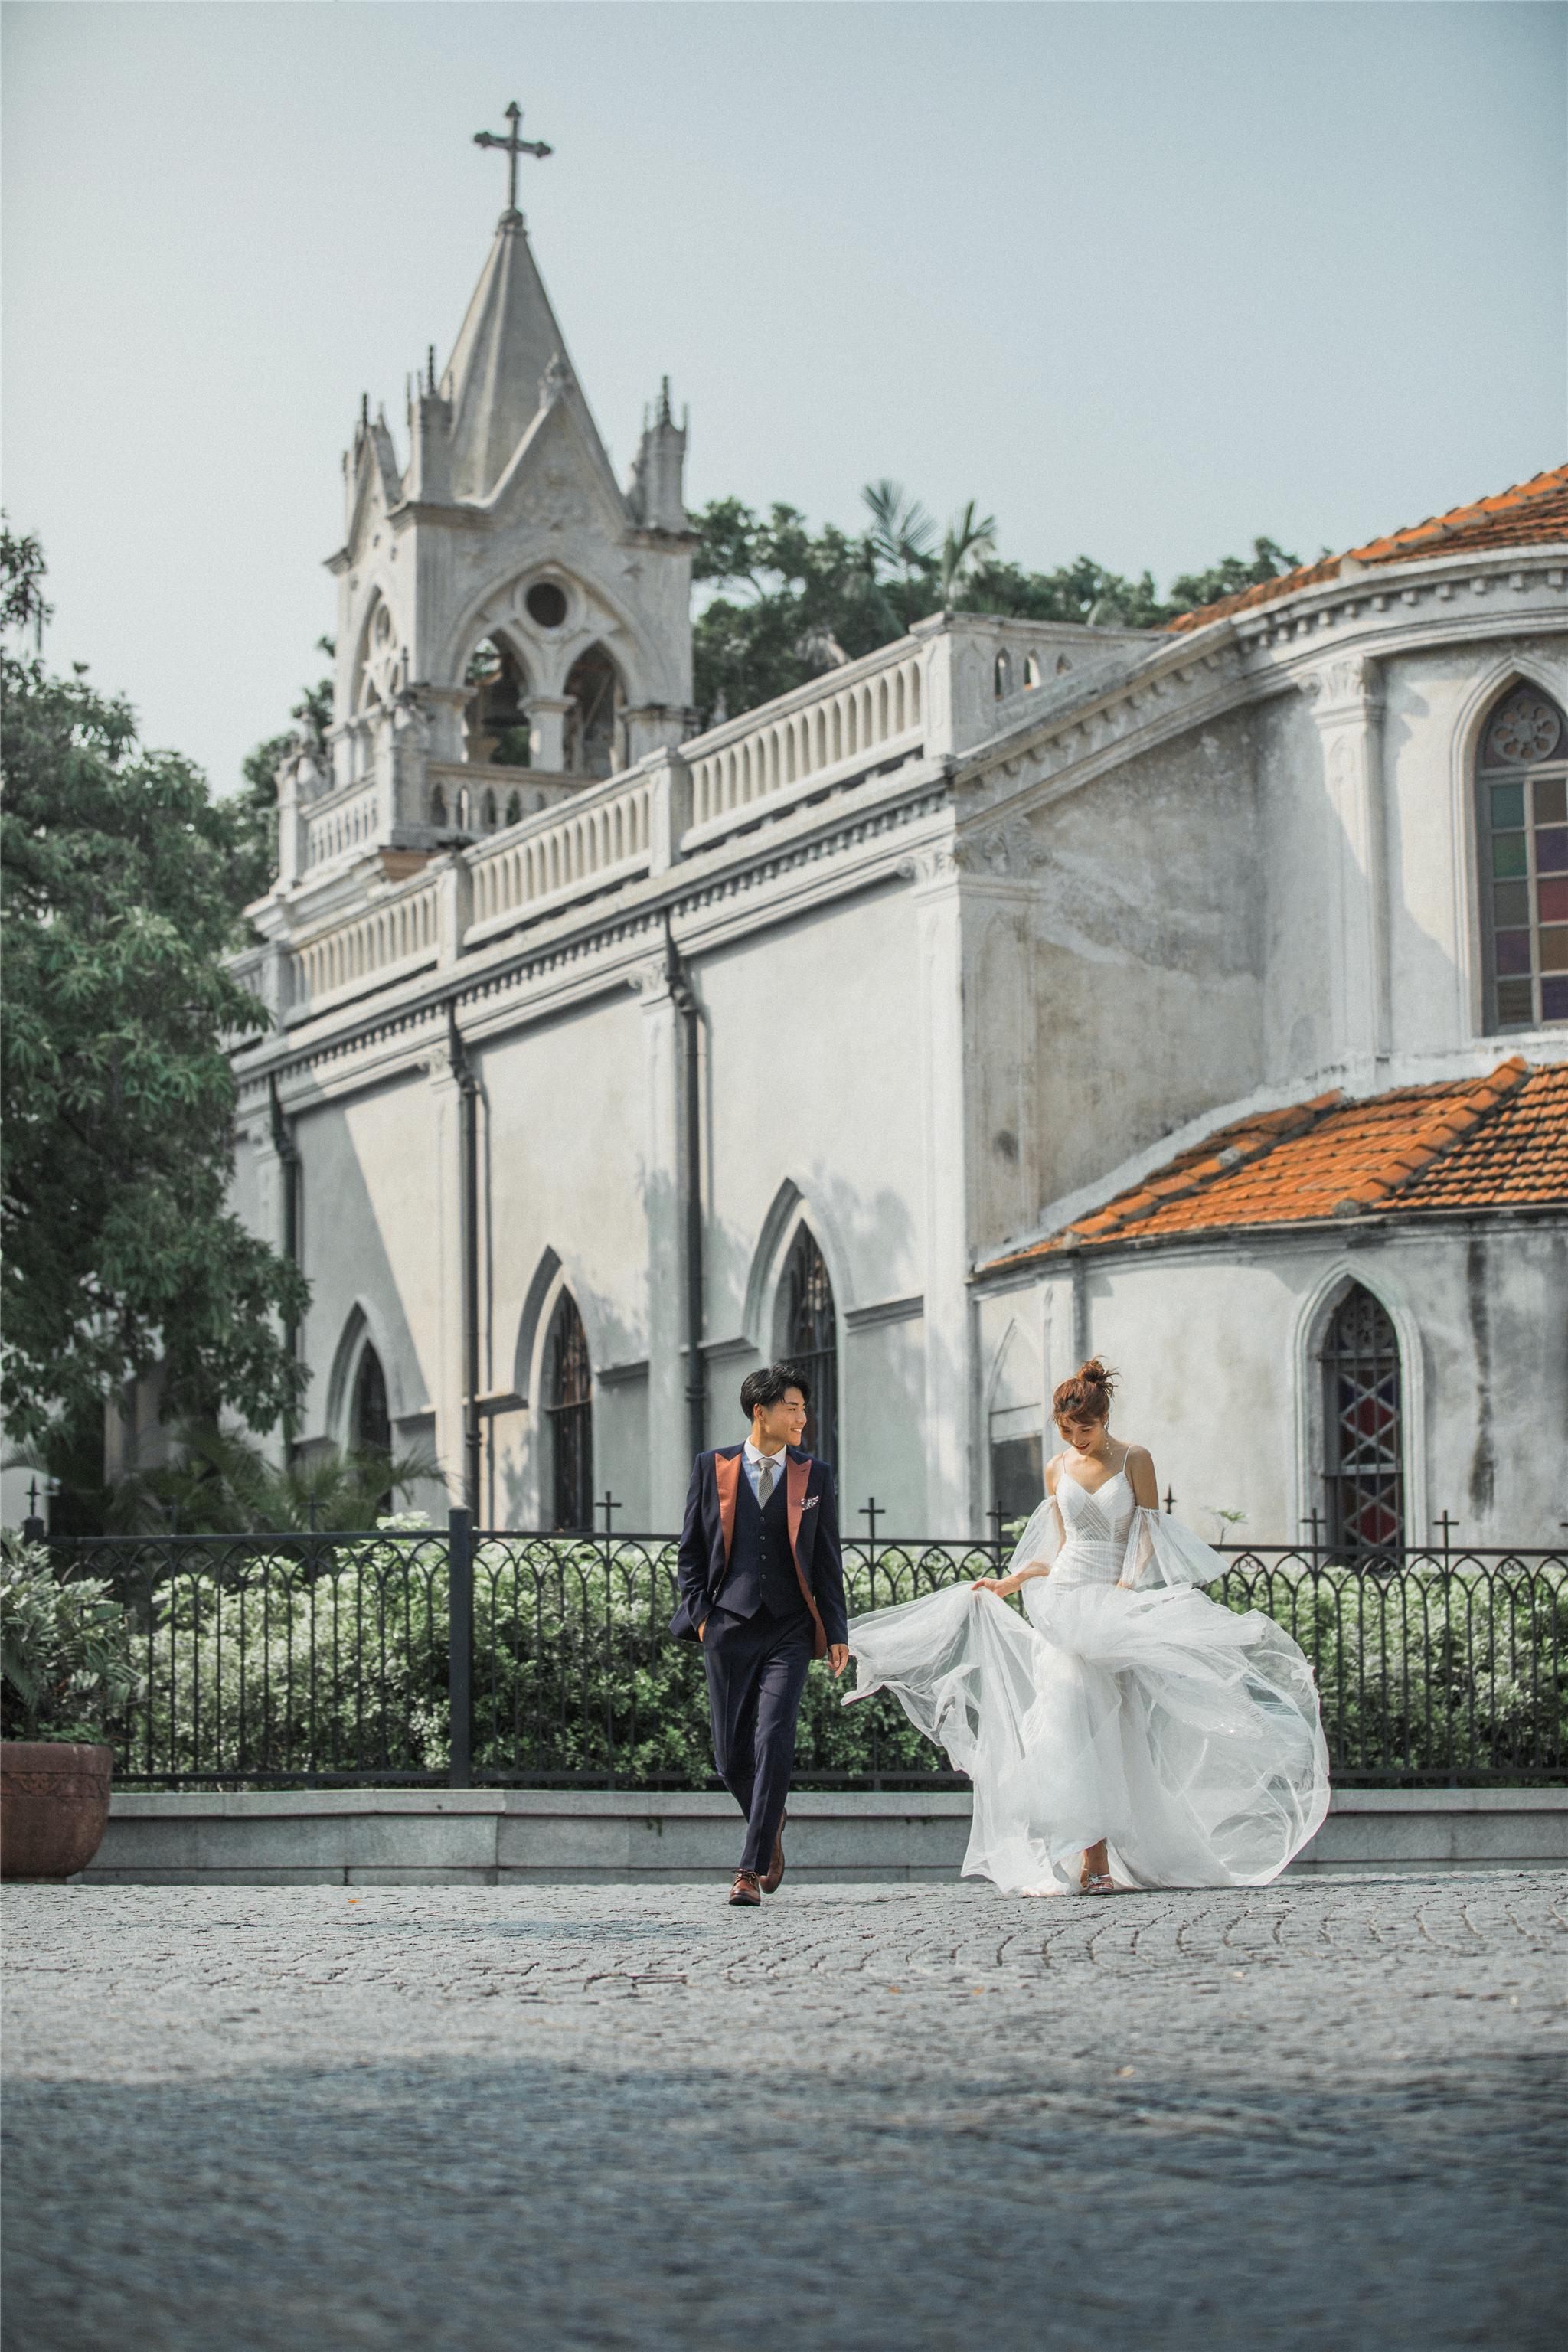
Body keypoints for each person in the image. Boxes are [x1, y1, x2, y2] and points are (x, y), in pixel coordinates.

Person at [844, 1359, 1330, 1896]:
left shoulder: (1135, 1458)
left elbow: (1149, 1534)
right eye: (1067, 1430)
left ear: (1105, 1419)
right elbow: (1058, 1546)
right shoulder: (1057, 1469)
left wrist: (1127, 1584)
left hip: (1111, 1607)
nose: (1077, 1439)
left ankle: (1113, 1854)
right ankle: (1090, 1860)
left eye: (1086, 1429)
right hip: (1064, 1603)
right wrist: (1010, 1582)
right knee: (1070, 1718)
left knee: (1112, 1731)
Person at [672, 1364, 850, 1905]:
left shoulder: (814, 1474)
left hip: (790, 1628)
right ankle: (769, 1820)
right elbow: (690, 1554)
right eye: (792, 1408)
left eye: (804, 1409)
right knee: (730, 1759)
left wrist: (836, 1630)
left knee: (773, 1738)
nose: (802, 1418)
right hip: (729, 1626)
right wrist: (703, 1617)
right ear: (760, 1412)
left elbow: (826, 1559)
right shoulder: (713, 1467)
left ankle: (748, 1871)